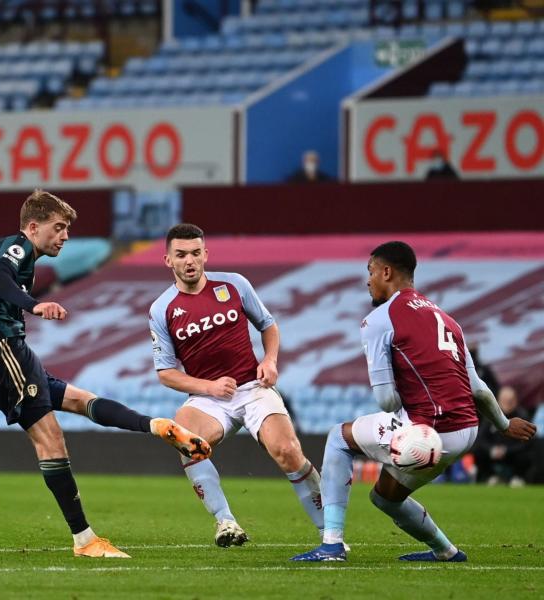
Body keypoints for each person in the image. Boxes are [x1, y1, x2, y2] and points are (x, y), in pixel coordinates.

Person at [0, 189, 212, 559]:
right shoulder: (17, 246)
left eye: (67, 229)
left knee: (77, 399)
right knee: (50, 439)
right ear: (33, 226)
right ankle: (85, 540)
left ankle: (157, 426)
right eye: (58, 228)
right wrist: (34, 304)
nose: (65, 236)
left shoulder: (22, 258)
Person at [291, 241, 537, 562]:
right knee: (385, 498)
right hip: (466, 432)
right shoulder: (448, 320)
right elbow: (477, 389)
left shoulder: (379, 320)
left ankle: (332, 545)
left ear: (387, 272)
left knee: (339, 437)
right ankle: (446, 551)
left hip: (429, 429)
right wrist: (503, 424)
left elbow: (387, 400)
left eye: (370, 272)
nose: (368, 281)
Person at [149, 223, 324, 548]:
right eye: (181, 254)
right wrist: (209, 387)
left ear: (206, 254)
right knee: (185, 439)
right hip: (209, 397)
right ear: (168, 260)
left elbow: (268, 326)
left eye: (196, 253)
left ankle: (331, 534)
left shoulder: (233, 285)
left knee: (287, 452)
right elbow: (166, 373)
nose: (190, 261)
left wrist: (270, 361)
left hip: (253, 388)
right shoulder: (162, 309)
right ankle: (225, 522)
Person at [473, 386, 535, 486]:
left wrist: (506, 450)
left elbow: (528, 442)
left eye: (510, 401)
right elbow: (481, 438)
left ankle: (518, 477)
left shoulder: (522, 416)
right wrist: (492, 449)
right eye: (504, 400)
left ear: (515, 401)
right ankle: (491, 477)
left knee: (525, 455)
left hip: (512, 452)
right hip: (493, 451)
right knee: (478, 451)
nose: (507, 404)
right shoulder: (490, 415)